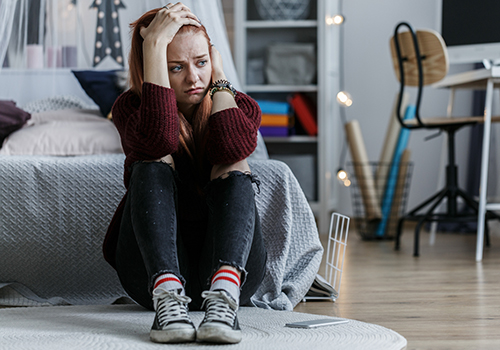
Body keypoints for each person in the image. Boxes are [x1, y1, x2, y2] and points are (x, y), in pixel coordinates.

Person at [102, 2, 267, 345]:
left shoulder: (241, 106)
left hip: (230, 273)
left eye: (201, 62)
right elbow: (158, 139)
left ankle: (223, 296)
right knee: (152, 159)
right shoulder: (130, 109)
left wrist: (220, 79)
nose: (194, 78)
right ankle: (167, 297)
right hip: (149, 274)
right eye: (175, 67)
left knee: (235, 162)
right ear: (154, 68)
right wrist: (152, 46)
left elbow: (230, 149)